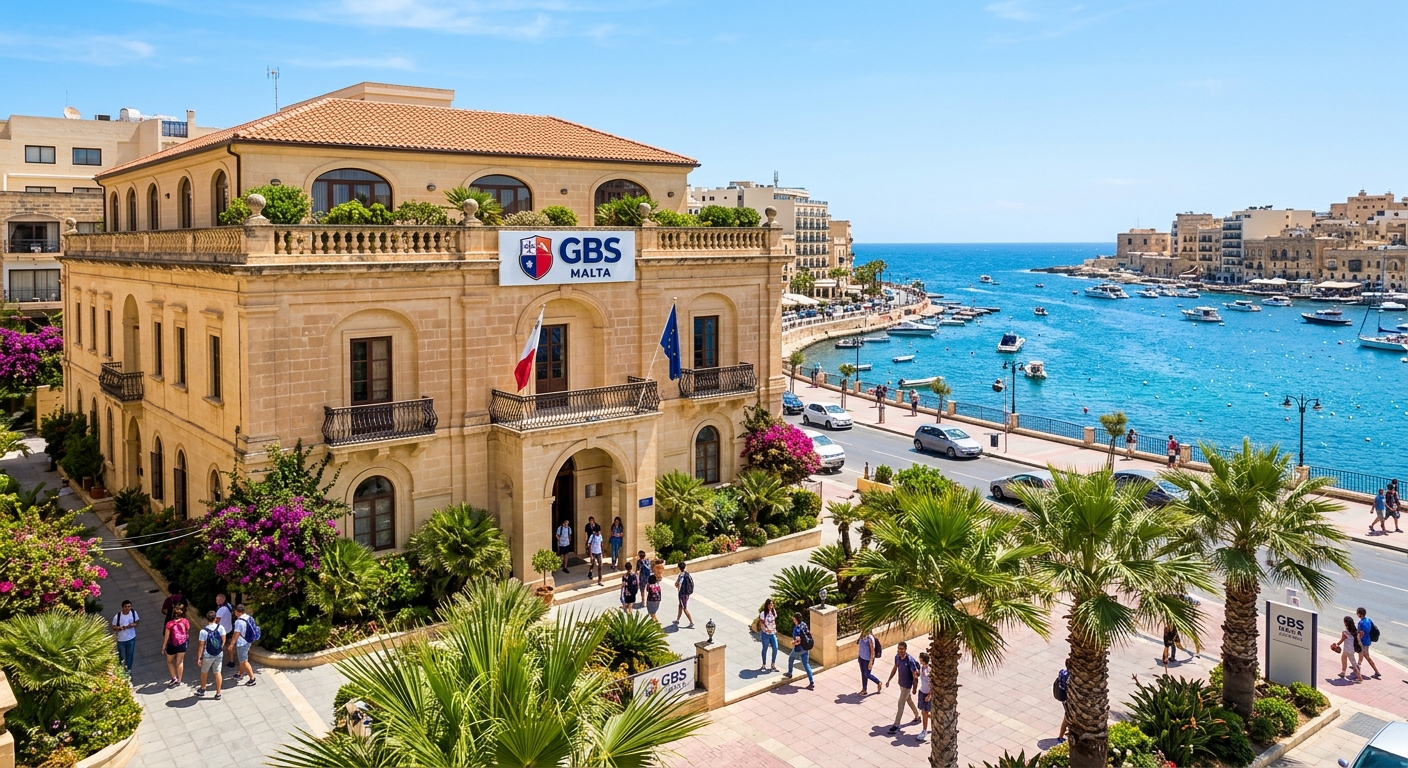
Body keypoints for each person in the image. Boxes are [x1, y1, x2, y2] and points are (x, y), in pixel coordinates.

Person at [886, 641, 921, 734]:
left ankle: (896, 724)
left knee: (901, 703)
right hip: (901, 683)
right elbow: (895, 668)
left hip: (907, 685)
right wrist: (889, 680)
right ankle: (917, 716)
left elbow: (915, 676)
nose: (900, 650)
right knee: (908, 699)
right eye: (899, 648)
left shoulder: (909, 660)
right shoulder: (897, 657)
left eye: (902, 649)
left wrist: (914, 688)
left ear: (905, 649)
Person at [196, 610, 227, 699]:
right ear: (215, 618)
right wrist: (220, 647)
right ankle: (218, 693)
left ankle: (202, 689)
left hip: (208, 655)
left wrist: (199, 657)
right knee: (217, 673)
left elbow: (201, 645)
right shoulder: (220, 627)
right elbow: (224, 639)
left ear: (207, 619)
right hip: (219, 653)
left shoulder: (203, 631)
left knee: (204, 672)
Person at [784, 612, 815, 689]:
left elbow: (798, 642)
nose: (793, 620)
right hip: (806, 648)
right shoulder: (804, 624)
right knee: (806, 664)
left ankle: (790, 673)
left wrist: (792, 642)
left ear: (796, 619)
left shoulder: (797, 629)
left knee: (791, 658)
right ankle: (811, 682)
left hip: (799, 649)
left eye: (794, 618)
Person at [229, 604, 258, 686]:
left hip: (242, 643)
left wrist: (231, 645)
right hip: (248, 641)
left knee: (244, 661)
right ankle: (240, 673)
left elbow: (236, 634)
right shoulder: (249, 617)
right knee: (242, 659)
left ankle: (252, 678)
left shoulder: (238, 622)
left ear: (237, 612)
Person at [163, 602, 189, 688]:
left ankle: (174, 677)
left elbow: (166, 637)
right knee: (180, 662)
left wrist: (163, 647)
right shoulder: (185, 621)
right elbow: (187, 630)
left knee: (170, 661)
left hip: (172, 645)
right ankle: (180, 680)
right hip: (182, 644)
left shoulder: (169, 624)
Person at [111, 600, 140, 674]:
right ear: (122, 607)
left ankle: (128, 671)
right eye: (125, 607)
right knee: (121, 655)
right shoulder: (118, 616)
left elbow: (137, 622)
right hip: (121, 640)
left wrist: (133, 625)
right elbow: (113, 627)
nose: (127, 608)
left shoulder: (133, 613)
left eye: (129, 606)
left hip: (131, 638)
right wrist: (120, 628)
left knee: (130, 655)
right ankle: (120, 669)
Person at [1336, 615, 1364, 683]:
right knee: (1343, 658)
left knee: (1353, 664)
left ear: (1346, 623)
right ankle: (1343, 672)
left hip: (1347, 650)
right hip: (1352, 649)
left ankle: (1359, 678)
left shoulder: (1345, 632)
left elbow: (1342, 640)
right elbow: (1358, 640)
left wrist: (1337, 644)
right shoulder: (1356, 631)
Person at [1356, 607, 1382, 679]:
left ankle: (1376, 671)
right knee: (1362, 654)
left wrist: (1358, 641)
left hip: (1362, 641)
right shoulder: (1368, 620)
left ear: (1359, 614)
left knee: (1366, 656)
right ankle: (1357, 665)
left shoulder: (1360, 623)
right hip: (1368, 640)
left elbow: (1360, 633)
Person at [857, 627, 884, 695]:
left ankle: (878, 682)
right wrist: (859, 656)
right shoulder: (862, 636)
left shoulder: (870, 638)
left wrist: (871, 662)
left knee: (867, 674)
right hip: (861, 658)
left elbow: (872, 651)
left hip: (867, 660)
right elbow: (860, 646)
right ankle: (864, 689)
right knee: (863, 674)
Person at [757, 599, 779, 672]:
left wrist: (773, 628)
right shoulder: (763, 614)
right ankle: (764, 664)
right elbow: (762, 624)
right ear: (767, 605)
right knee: (765, 648)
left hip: (772, 633)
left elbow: (774, 621)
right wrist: (766, 629)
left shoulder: (773, 612)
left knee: (775, 648)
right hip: (765, 634)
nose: (771, 606)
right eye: (769, 605)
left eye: (772, 604)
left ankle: (773, 664)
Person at [214, 593, 235, 667]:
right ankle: (231, 661)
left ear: (223, 600)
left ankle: (216, 662)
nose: (218, 601)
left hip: (221, 632)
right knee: (229, 647)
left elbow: (216, 621)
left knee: (217, 646)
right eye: (217, 600)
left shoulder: (221, 610)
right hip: (229, 629)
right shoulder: (229, 606)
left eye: (220, 600)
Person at [916, 651, 932, 744]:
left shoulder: (929, 670)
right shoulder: (922, 668)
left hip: (927, 693)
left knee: (925, 712)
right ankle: (935, 720)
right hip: (922, 691)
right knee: (923, 712)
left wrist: (930, 695)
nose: (920, 661)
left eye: (921, 659)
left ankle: (924, 730)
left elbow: (932, 683)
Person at [674, 562, 695, 628]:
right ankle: (677, 620)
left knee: (684, 608)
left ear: (679, 568)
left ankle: (691, 622)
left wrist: (677, 584)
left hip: (683, 594)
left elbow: (677, 584)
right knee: (680, 606)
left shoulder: (681, 576)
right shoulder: (686, 574)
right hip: (685, 594)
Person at [1053, 668, 1071, 741]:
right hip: (1068, 699)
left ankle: (1061, 736)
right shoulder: (1071, 677)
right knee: (1067, 717)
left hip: (1064, 697)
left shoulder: (1064, 672)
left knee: (1067, 717)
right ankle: (1060, 737)